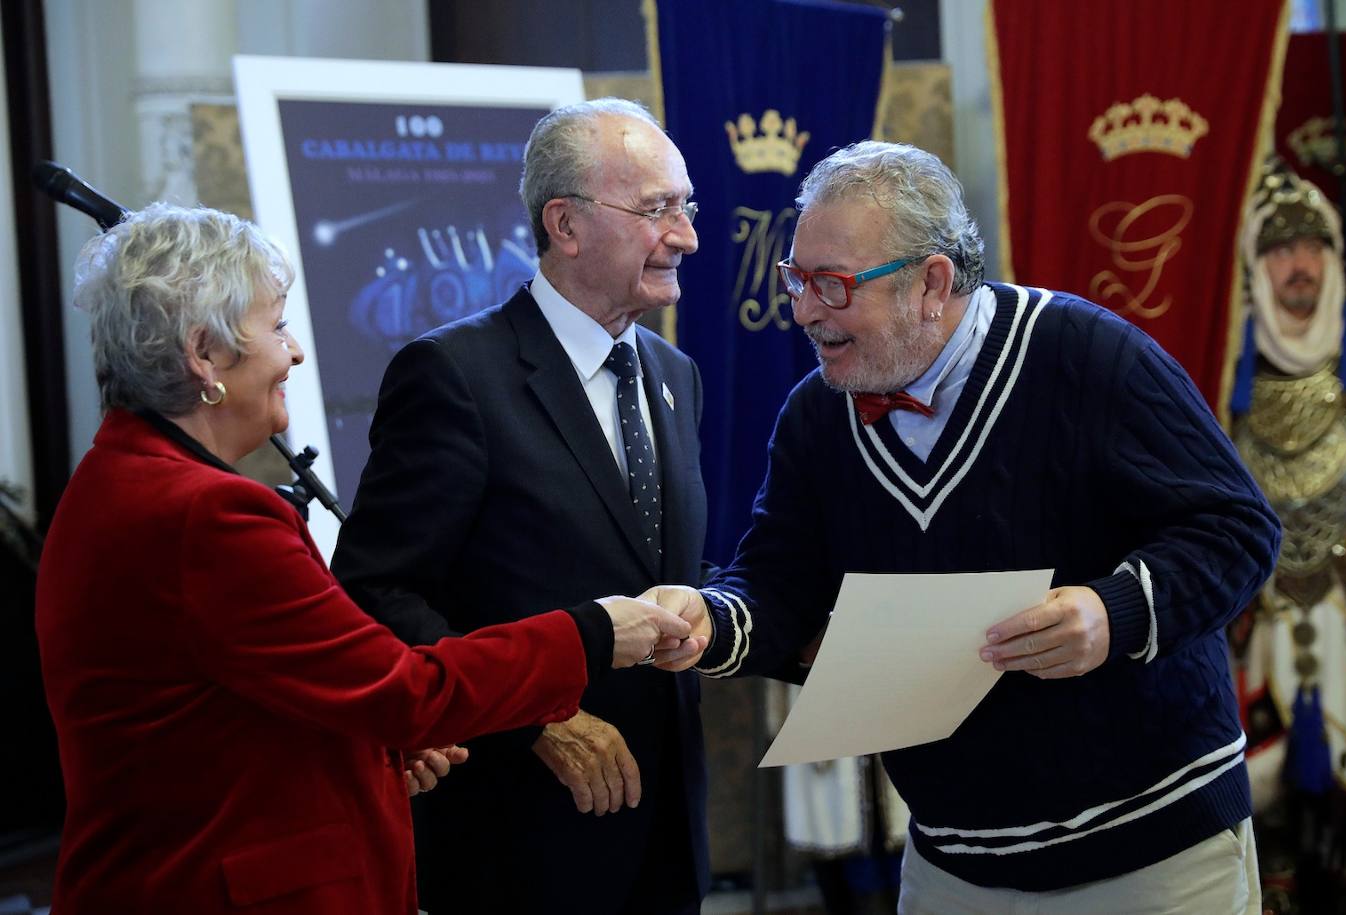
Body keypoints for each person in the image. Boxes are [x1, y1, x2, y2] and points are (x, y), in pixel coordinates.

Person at [655, 141, 1282, 913]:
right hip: (952, 863)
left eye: (833, 284)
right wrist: (708, 619)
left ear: (931, 282)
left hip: (1155, 850)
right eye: (797, 278)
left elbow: (1238, 528)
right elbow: (778, 585)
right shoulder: (816, 418)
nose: (806, 310)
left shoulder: (1086, 353)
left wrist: (1111, 611)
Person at [34, 202, 696, 914]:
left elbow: (221, 710)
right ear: (204, 353)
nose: (295, 352)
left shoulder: (114, 478)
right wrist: (591, 633)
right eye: (276, 325)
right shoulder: (210, 517)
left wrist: (368, 755)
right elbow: (405, 692)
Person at [331, 98, 711, 914]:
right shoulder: (454, 376)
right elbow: (376, 590)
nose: (685, 235)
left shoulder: (675, 375)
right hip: (519, 841)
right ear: (564, 224)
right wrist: (535, 713)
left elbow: (654, 563)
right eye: (656, 209)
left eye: (686, 206)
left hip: (664, 837)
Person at [1227, 156, 1346, 913]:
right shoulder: (1223, 372)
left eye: (1313, 245)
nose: (1299, 265)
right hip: (1258, 622)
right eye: (1281, 249)